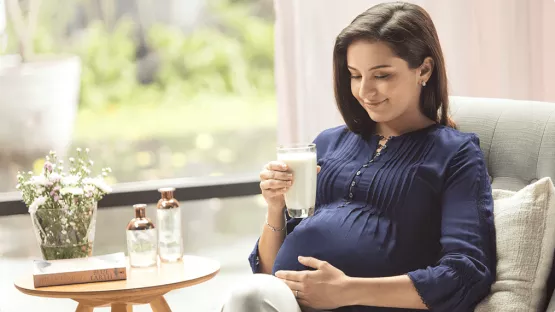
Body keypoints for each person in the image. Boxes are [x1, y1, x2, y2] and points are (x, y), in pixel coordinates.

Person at [221, 2, 496, 312]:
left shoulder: (455, 153)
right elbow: (268, 272)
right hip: (281, 304)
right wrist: (275, 208)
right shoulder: (327, 143)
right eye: (354, 75)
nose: (365, 91)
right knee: (249, 294)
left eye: (382, 75)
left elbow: (467, 274)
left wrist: (347, 291)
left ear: (424, 70)